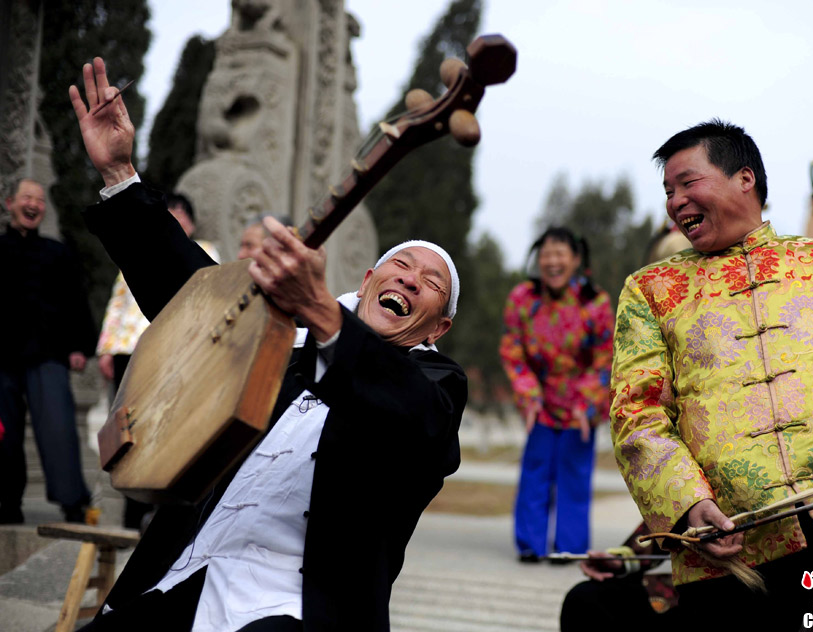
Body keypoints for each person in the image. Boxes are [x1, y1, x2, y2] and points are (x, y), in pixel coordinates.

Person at [71, 57, 466, 631]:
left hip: (300, 604)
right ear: (368, 283)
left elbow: (411, 417)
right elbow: (193, 301)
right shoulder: (289, 337)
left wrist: (325, 314)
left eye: (431, 284)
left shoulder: (438, 386)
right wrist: (120, 175)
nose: (409, 278)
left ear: (438, 328)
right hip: (189, 570)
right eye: (399, 266)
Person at [610, 119, 813, 625]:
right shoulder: (650, 291)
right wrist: (687, 504)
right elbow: (638, 413)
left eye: (688, 183)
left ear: (745, 179)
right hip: (730, 543)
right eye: (668, 191)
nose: (675, 202)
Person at [96, 192, 220, 530]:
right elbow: (118, 304)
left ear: (192, 223)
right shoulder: (141, 252)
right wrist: (105, 348)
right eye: (171, 213)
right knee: (124, 425)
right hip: (128, 348)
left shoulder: (206, 252)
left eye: (182, 214)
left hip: (172, 347)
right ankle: (129, 511)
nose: (177, 219)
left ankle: (155, 507)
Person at [499, 227, 614, 561]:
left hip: (581, 406)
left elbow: (604, 356)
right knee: (535, 472)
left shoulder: (595, 302)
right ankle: (530, 546)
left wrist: (588, 402)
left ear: (575, 260)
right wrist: (528, 395)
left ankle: (570, 549)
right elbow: (513, 350)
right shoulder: (523, 298)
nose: (552, 261)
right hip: (541, 403)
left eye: (560, 254)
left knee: (575, 477)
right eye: (546, 254)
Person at [0, 178, 97, 524]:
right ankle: (6, 504)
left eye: (39, 200)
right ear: (10, 202)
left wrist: (80, 347)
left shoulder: (58, 252)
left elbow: (76, 302)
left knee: (59, 427)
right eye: (27, 197)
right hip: (3, 357)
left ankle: (73, 502)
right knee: (3, 434)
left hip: (49, 353)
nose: (34, 204)